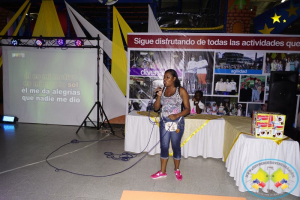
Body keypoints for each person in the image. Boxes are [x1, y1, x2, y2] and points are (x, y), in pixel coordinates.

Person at [152, 69, 190, 181]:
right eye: (164, 77)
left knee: (175, 146)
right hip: (164, 122)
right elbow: (156, 108)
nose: (165, 79)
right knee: (164, 146)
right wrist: (159, 95)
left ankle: (177, 169)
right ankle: (162, 172)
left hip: (177, 123)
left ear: (174, 78)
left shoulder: (181, 90)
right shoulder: (162, 91)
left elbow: (188, 109)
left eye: (167, 77)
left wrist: (177, 115)